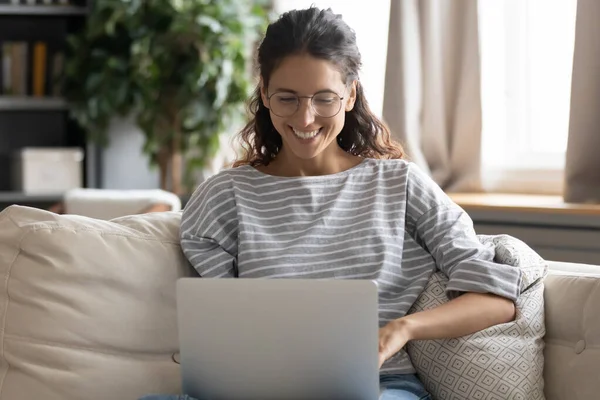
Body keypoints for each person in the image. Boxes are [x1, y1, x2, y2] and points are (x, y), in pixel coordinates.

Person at [141, 6, 522, 400]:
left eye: (324, 98)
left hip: (378, 387)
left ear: (350, 93)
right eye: (287, 98)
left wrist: (401, 329)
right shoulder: (224, 197)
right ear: (265, 94)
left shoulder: (399, 184)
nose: (305, 119)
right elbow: (227, 332)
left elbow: (494, 300)